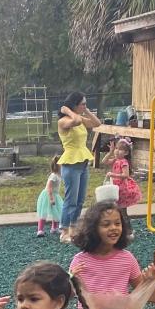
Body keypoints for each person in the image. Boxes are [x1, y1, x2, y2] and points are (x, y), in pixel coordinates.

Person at [57, 91, 101, 244]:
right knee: (71, 199)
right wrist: (67, 109)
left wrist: (87, 111)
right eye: (82, 103)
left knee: (80, 200)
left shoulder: (80, 117)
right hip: (71, 164)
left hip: (82, 163)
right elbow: (75, 121)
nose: (84, 106)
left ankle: (74, 228)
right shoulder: (63, 121)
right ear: (74, 104)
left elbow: (97, 123)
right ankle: (64, 231)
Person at [106, 139, 142, 240]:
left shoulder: (124, 162)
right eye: (116, 148)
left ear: (126, 153)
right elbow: (104, 161)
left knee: (122, 212)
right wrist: (110, 152)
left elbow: (125, 175)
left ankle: (129, 232)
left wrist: (112, 174)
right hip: (116, 190)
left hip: (122, 190)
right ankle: (125, 230)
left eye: (120, 149)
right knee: (119, 211)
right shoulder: (116, 160)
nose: (117, 151)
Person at [35, 157, 63, 237]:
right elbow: (49, 186)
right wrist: (51, 198)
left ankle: (54, 228)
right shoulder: (53, 176)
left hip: (55, 195)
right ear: (58, 165)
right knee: (43, 212)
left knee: (56, 211)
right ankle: (40, 230)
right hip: (48, 195)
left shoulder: (58, 175)